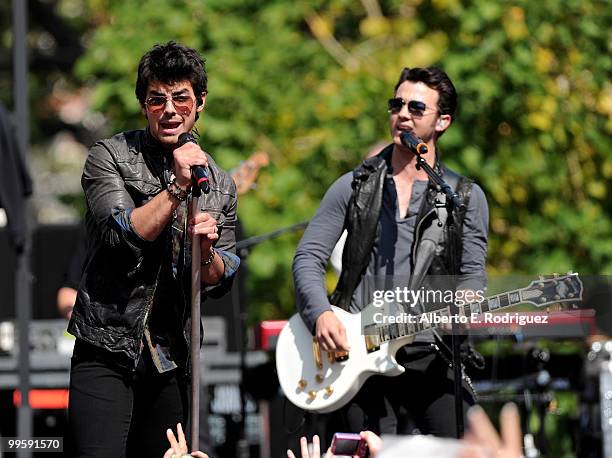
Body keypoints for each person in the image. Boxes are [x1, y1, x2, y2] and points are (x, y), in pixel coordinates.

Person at [293, 67, 489, 439]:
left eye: (416, 107)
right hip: (358, 352)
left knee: (472, 444)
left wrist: (466, 301)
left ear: (443, 121)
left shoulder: (463, 197)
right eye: (396, 104)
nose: (402, 114)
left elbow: (472, 274)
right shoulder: (353, 185)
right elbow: (308, 257)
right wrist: (321, 315)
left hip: (430, 350)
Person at [67, 41, 240, 457]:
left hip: (171, 358)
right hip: (106, 347)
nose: (169, 109)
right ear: (144, 105)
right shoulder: (108, 156)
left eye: (181, 97)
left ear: (200, 103)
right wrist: (178, 187)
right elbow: (122, 234)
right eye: (156, 99)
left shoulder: (219, 182)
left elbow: (222, 277)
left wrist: (208, 251)